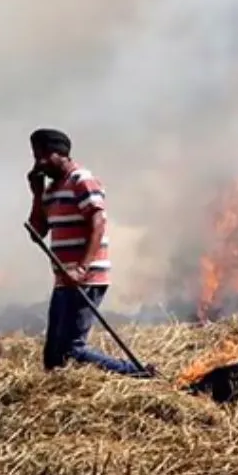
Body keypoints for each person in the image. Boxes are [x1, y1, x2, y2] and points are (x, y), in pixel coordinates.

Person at [27, 127, 151, 377]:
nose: (39, 163)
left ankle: (136, 374)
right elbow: (36, 232)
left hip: (86, 277)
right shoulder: (50, 191)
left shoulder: (81, 180)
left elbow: (98, 223)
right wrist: (37, 194)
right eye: (35, 156)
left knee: (72, 349)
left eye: (44, 155)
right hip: (64, 279)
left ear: (61, 154)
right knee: (53, 357)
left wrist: (82, 267)